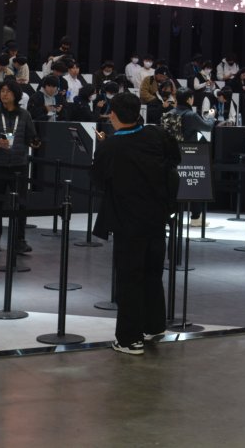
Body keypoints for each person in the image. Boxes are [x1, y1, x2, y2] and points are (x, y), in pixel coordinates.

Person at [91, 92, 180, 355]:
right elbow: (175, 160)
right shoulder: (157, 135)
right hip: (157, 217)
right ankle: (154, 325)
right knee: (152, 273)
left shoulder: (111, 146)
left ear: (113, 115)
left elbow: (98, 180)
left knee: (129, 278)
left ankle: (129, 339)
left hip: (128, 222)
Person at [0, 80, 39, 253]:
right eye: (2, 91)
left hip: (19, 165)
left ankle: (19, 240)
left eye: (8, 91)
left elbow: (31, 136)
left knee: (21, 204)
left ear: (16, 94)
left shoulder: (25, 115)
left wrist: (34, 142)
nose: (4, 94)